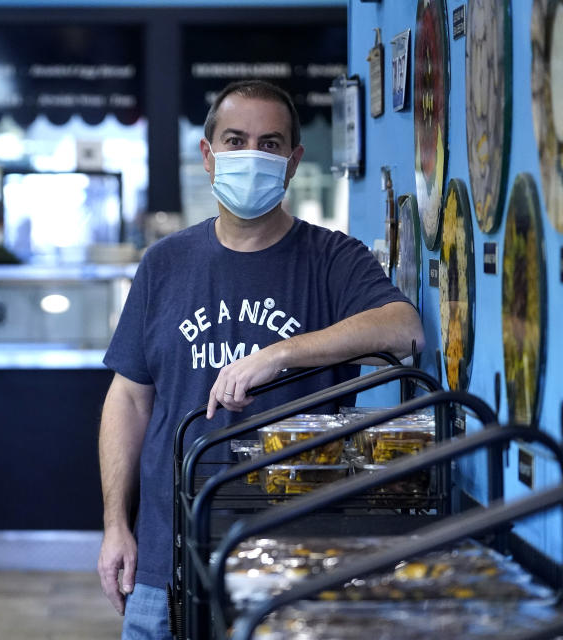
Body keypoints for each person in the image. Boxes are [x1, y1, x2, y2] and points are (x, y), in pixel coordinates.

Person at [96, 80, 425, 637]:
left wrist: (282, 353)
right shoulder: (164, 264)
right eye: (235, 140)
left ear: (294, 162)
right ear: (208, 155)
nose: (252, 155)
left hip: (294, 560)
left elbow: (406, 331)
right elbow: (129, 398)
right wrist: (114, 525)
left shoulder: (332, 259)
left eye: (270, 144)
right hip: (166, 557)